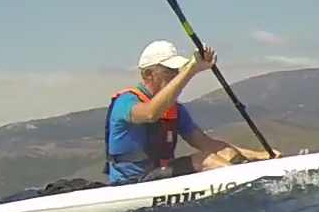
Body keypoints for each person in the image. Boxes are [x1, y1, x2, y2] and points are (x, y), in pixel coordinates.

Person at [106, 40, 273, 184]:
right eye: (169, 72)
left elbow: (208, 143)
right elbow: (151, 113)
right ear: (149, 74)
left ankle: (259, 179)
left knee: (227, 152)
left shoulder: (176, 110)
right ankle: (249, 184)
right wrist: (191, 69)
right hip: (131, 182)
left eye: (176, 71)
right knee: (206, 160)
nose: (175, 76)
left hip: (160, 175)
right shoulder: (126, 102)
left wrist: (259, 156)